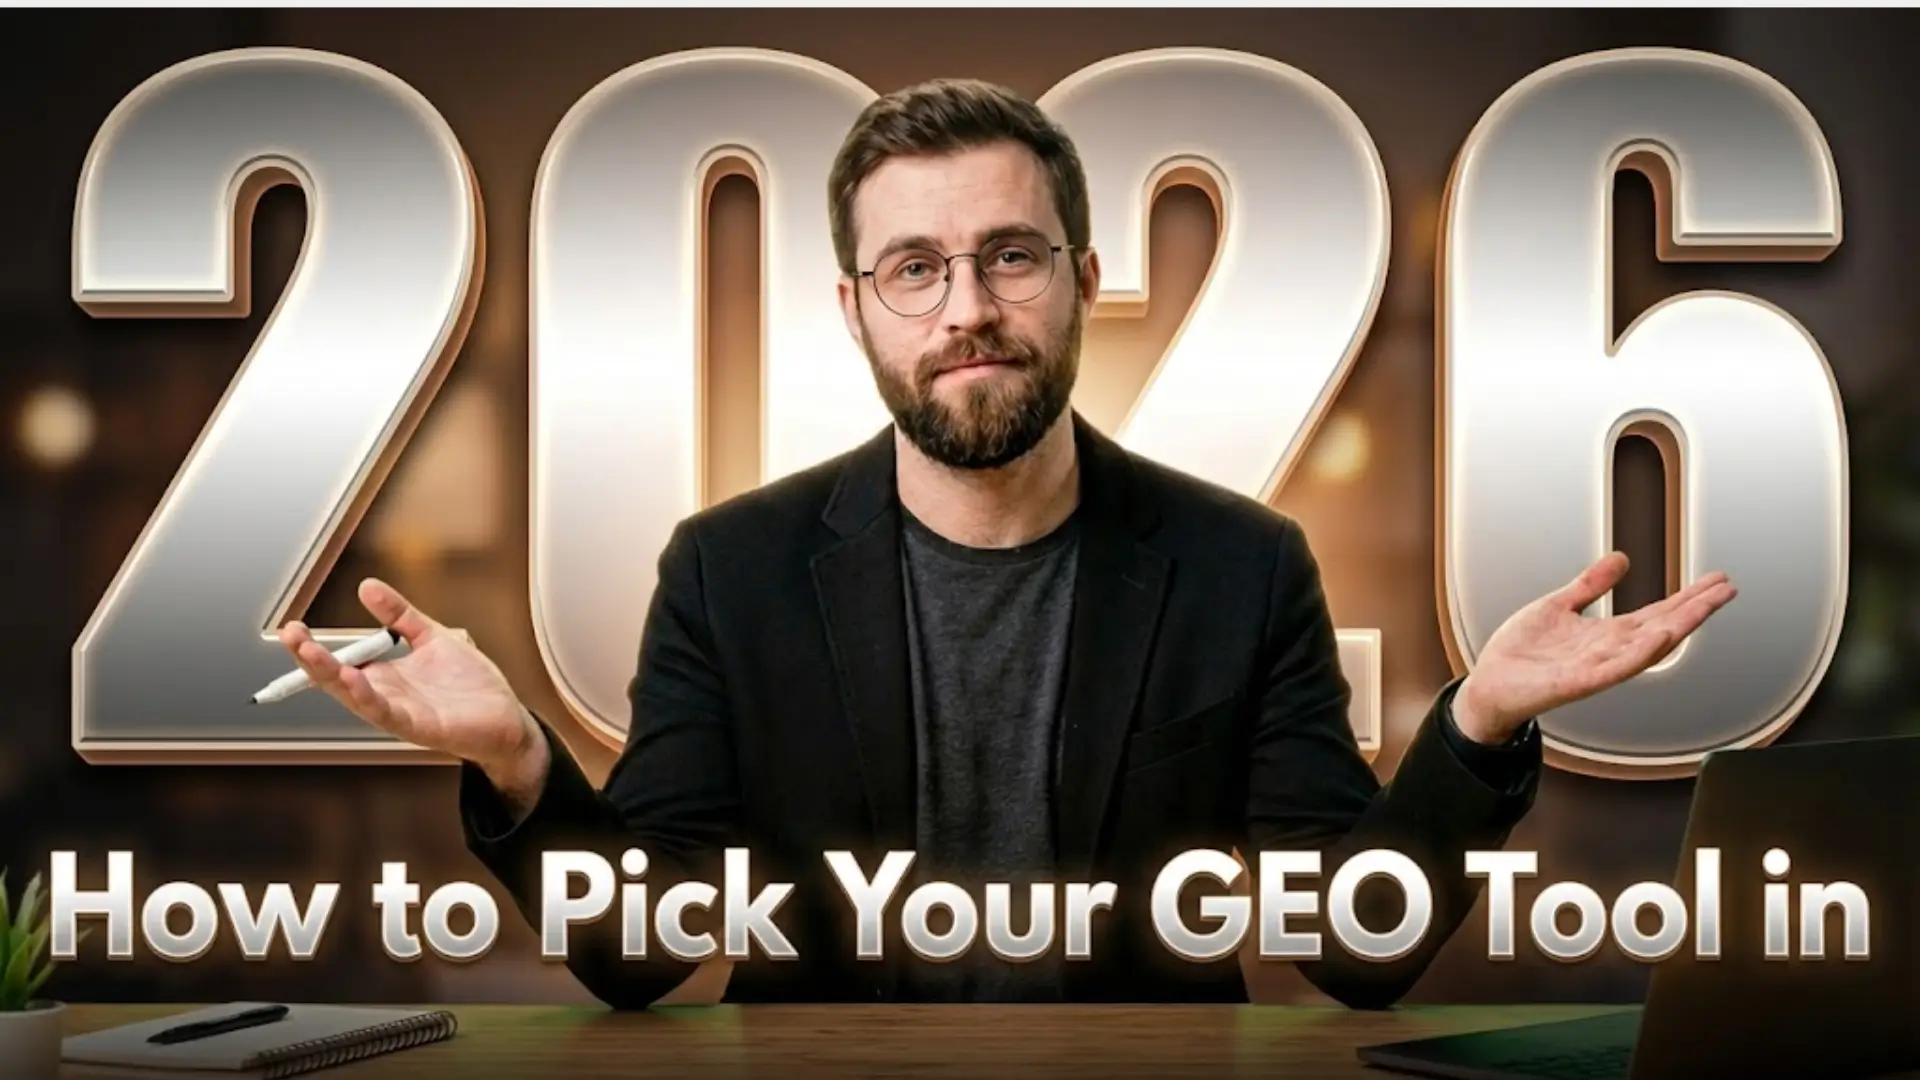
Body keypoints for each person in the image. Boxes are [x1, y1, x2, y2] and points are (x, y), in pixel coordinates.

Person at [277, 78, 1736, 1008]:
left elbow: (1355, 955)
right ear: (856, 310)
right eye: (915, 266)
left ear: (1085, 281)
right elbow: (645, 953)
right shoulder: (728, 570)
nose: (966, 305)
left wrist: (1478, 724)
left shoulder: (1242, 566)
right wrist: (519, 762)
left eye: (1010, 255)